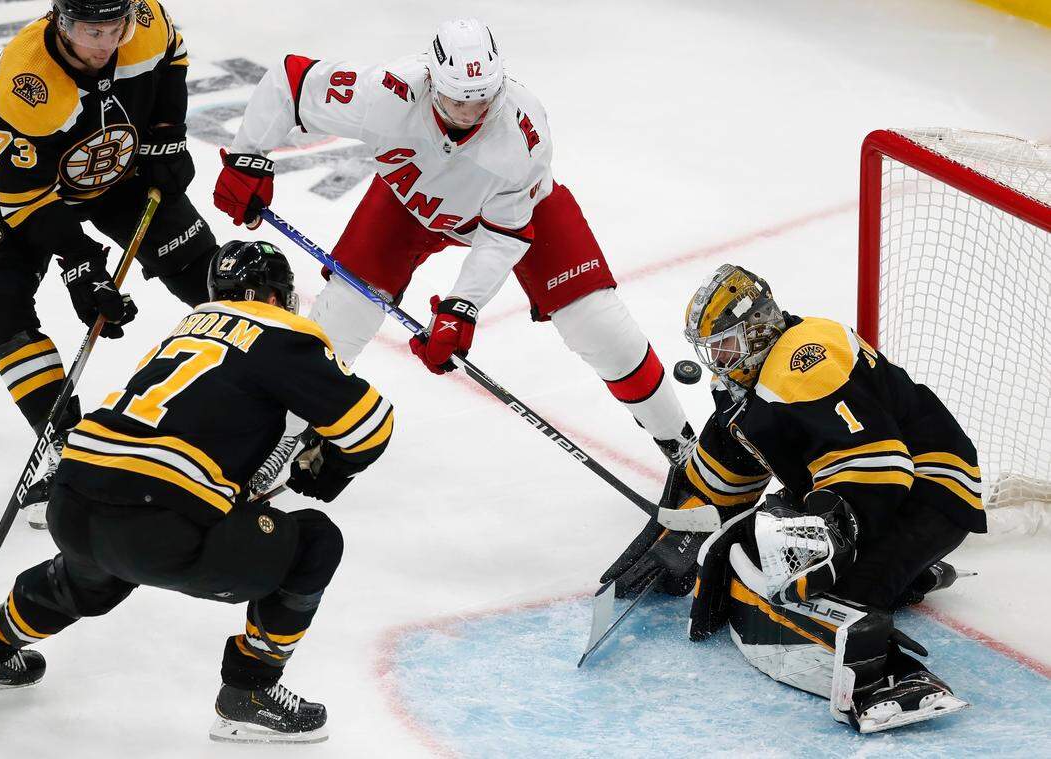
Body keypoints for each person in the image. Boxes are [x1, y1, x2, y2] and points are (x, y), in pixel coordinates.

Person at [0, 241, 394, 744]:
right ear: (271, 295)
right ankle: (251, 691)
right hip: (161, 525)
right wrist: (327, 472)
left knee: (96, 570)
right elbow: (370, 426)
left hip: (74, 497)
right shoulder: (282, 334)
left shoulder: (187, 328)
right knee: (315, 540)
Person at [212, 17, 696, 491]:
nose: (470, 113)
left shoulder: (522, 136)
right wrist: (246, 156)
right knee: (337, 321)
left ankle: (682, 448)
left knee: (600, 325)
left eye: (482, 99)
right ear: (431, 80)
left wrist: (461, 308)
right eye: (457, 100)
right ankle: (283, 437)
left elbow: (503, 235)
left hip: (522, 215)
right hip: (407, 205)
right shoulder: (386, 93)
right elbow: (289, 81)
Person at [620, 264, 984, 733]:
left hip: (929, 489)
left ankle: (892, 680)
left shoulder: (803, 357)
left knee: (823, 598)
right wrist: (678, 531)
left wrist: (833, 529)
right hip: (871, 492)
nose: (716, 357)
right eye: (709, 348)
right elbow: (728, 466)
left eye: (725, 343)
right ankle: (905, 573)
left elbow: (879, 460)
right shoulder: (744, 380)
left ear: (756, 330)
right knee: (767, 563)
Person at [0, 0, 219, 527]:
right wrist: (80, 262)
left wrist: (169, 132)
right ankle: (66, 446)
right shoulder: (27, 81)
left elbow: (174, 56)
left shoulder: (146, 23)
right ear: (61, 22)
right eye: (91, 30)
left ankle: (280, 403)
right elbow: (27, 199)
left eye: (116, 28)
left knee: (207, 275)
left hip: (120, 173)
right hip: (27, 193)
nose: (106, 43)